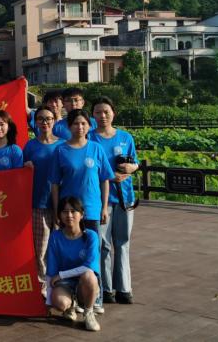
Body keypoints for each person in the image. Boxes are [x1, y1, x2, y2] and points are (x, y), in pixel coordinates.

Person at [90, 97, 139, 305]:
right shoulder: (89, 137)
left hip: (125, 197)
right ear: (93, 115)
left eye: (106, 112)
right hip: (101, 199)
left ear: (113, 113)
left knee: (123, 242)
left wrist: (132, 168)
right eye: (98, 112)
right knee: (103, 245)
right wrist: (111, 176)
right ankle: (106, 288)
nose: (102, 116)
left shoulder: (125, 137)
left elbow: (135, 162)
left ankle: (124, 288)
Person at [23, 105, 65, 295]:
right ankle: (43, 287)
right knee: (40, 248)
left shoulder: (63, 145)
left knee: (61, 246)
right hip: (38, 202)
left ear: (54, 121)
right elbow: (19, 171)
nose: (44, 122)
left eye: (48, 118)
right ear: (36, 122)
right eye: (40, 119)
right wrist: (25, 166)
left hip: (63, 205)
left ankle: (61, 284)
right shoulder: (30, 146)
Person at [51, 109, 114, 231]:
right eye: (75, 123)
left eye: (83, 123)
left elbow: (104, 180)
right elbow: (55, 184)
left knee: (93, 242)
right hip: (68, 211)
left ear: (89, 126)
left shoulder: (97, 148)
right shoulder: (60, 150)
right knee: (69, 242)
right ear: (69, 126)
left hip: (92, 210)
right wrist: (56, 211)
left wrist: (104, 208)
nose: (80, 127)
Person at [46, 196, 102, 332]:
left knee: (89, 276)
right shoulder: (55, 236)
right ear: (59, 215)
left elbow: (89, 267)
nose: (69, 215)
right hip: (65, 284)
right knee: (59, 302)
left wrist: (61, 275)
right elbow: (51, 272)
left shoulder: (91, 236)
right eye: (64, 212)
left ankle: (88, 312)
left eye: (73, 211)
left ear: (81, 214)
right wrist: (48, 302)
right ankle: (70, 307)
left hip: (85, 283)